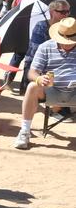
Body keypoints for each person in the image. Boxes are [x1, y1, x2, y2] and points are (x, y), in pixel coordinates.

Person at [13, 17, 76, 150]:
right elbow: (32, 73)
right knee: (32, 86)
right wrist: (39, 79)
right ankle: (24, 131)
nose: (67, 44)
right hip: (51, 90)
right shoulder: (46, 47)